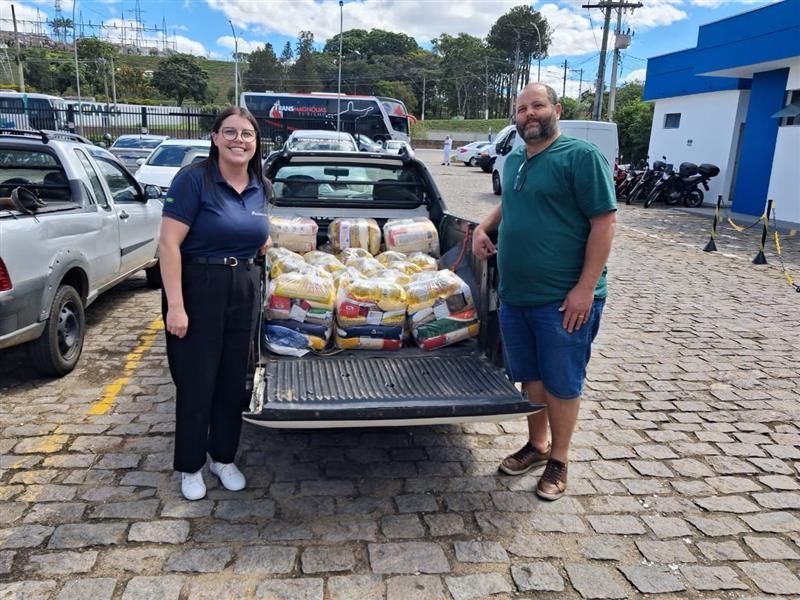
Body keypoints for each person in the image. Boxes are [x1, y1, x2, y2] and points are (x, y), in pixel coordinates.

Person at [471, 83, 616, 501]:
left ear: (556, 109)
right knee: (530, 379)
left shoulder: (581, 157)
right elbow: (512, 205)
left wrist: (585, 289)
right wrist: (483, 227)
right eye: (521, 109)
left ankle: (561, 458)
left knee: (562, 382)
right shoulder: (516, 158)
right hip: (517, 295)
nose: (528, 114)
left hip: (563, 299)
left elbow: (604, 224)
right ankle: (537, 446)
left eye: (537, 106)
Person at [159, 106, 272, 501]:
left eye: (247, 134)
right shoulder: (194, 180)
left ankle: (223, 458)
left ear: (256, 143)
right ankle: (191, 466)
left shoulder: (260, 184)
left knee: (232, 380)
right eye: (230, 132)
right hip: (198, 284)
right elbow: (168, 244)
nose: (239, 140)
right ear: (215, 137)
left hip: (244, 285)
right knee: (196, 380)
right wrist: (176, 305)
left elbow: (259, 236)